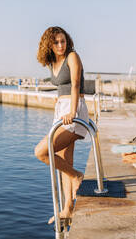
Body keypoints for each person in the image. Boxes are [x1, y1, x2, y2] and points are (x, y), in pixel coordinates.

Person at [35, 26, 89, 224]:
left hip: (73, 110)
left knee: (41, 152)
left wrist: (72, 112)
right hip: (61, 111)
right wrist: (59, 105)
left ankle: (77, 176)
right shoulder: (51, 62)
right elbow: (62, 87)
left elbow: (75, 84)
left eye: (63, 41)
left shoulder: (72, 56)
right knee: (64, 161)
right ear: (49, 44)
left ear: (68, 41)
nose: (60, 45)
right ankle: (67, 209)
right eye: (56, 42)